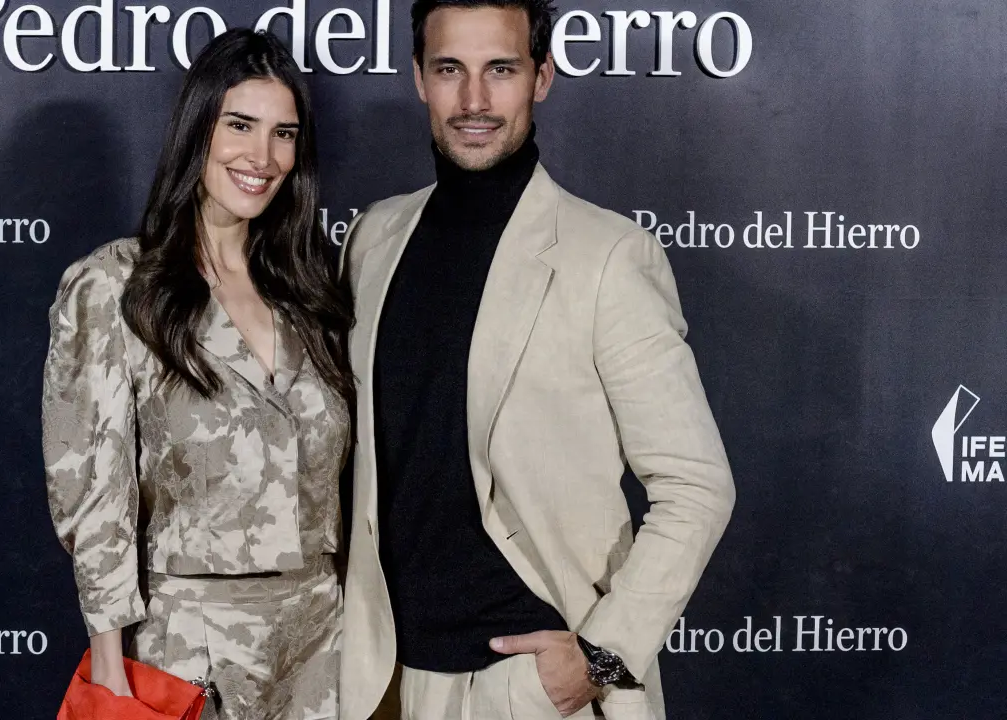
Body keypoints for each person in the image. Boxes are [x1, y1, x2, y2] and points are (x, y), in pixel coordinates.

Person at [337, 0, 736, 718]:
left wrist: (601, 656)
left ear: (542, 77)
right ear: (419, 79)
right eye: (450, 70)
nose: (474, 100)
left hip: (532, 690)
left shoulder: (608, 257)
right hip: (385, 681)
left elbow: (697, 484)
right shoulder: (372, 239)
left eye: (501, 70)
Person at [42, 29, 353, 720]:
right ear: (197, 130)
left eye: (283, 134)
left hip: (321, 648)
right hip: (187, 647)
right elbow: (93, 494)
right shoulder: (116, 285)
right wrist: (110, 670)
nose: (262, 157)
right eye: (239, 125)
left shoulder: (310, 289)